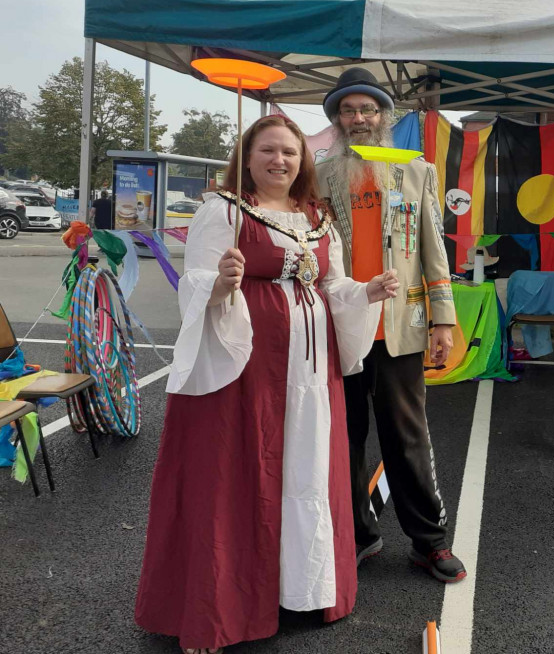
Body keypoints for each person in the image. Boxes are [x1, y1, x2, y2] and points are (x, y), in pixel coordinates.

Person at [134, 115, 399, 654]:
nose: (280, 160)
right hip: (246, 366)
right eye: (269, 151)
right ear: (247, 156)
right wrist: (219, 282)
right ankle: (220, 606)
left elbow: (330, 284)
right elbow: (195, 280)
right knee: (239, 469)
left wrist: (365, 291)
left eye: (291, 153)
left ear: (303, 161)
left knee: (304, 471)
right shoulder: (223, 211)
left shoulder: (316, 216)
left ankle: (301, 590)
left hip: (310, 369)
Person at [316, 68, 466, 583]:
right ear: (337, 118)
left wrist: (442, 319)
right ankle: (359, 535)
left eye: (368, 109)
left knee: (407, 437)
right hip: (339, 329)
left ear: (384, 116)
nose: (358, 118)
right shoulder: (318, 176)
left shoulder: (414, 171)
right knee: (345, 437)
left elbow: (433, 248)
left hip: (398, 328)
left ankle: (429, 542)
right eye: (349, 110)